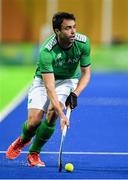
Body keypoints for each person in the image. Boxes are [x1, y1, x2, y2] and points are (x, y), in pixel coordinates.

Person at [6, 12, 91, 167]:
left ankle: (34, 153)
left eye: (74, 27)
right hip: (43, 80)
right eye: (67, 28)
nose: (73, 32)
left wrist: (75, 93)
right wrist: (62, 114)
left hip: (67, 80)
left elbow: (86, 73)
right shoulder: (47, 50)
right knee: (34, 122)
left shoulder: (83, 43)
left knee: (52, 113)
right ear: (57, 31)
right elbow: (50, 87)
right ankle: (23, 140)